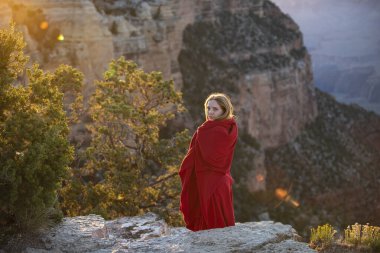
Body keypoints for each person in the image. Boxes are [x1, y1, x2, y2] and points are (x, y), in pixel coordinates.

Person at [179, 93, 238, 231]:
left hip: (208, 183)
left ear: (224, 110)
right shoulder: (230, 127)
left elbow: (200, 157)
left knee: (210, 225)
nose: (210, 112)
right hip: (222, 181)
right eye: (208, 108)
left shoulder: (209, 130)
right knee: (221, 224)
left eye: (215, 109)